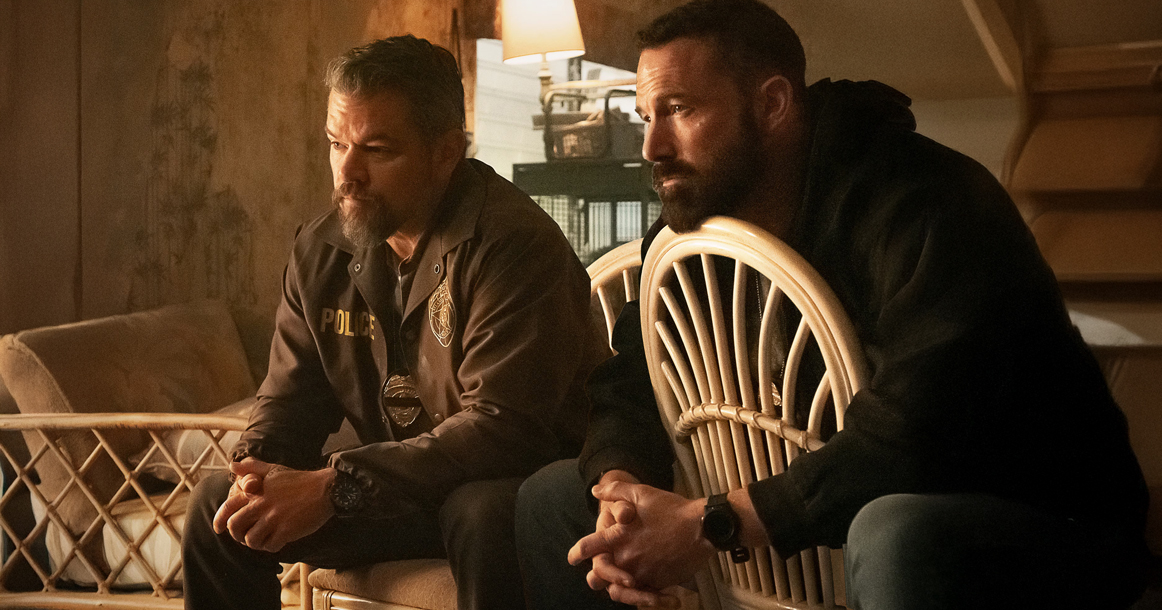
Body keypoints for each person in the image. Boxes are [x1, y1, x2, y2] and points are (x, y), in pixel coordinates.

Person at [514, 1, 1151, 608]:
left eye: (679, 109)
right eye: (645, 116)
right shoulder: (696, 229)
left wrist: (710, 523)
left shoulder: (928, 203)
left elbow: (916, 436)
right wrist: (619, 487)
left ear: (772, 104)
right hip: (820, 503)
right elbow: (630, 381)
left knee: (894, 533)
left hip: (1033, 515)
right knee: (553, 499)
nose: (652, 147)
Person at [182, 35, 603, 610]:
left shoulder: (514, 244)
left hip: (519, 484)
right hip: (398, 488)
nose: (347, 173)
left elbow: (504, 430)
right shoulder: (321, 249)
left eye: (377, 150)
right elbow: (289, 400)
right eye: (336, 144)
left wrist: (337, 485)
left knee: (479, 509)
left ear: (445, 152)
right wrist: (254, 472)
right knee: (218, 507)